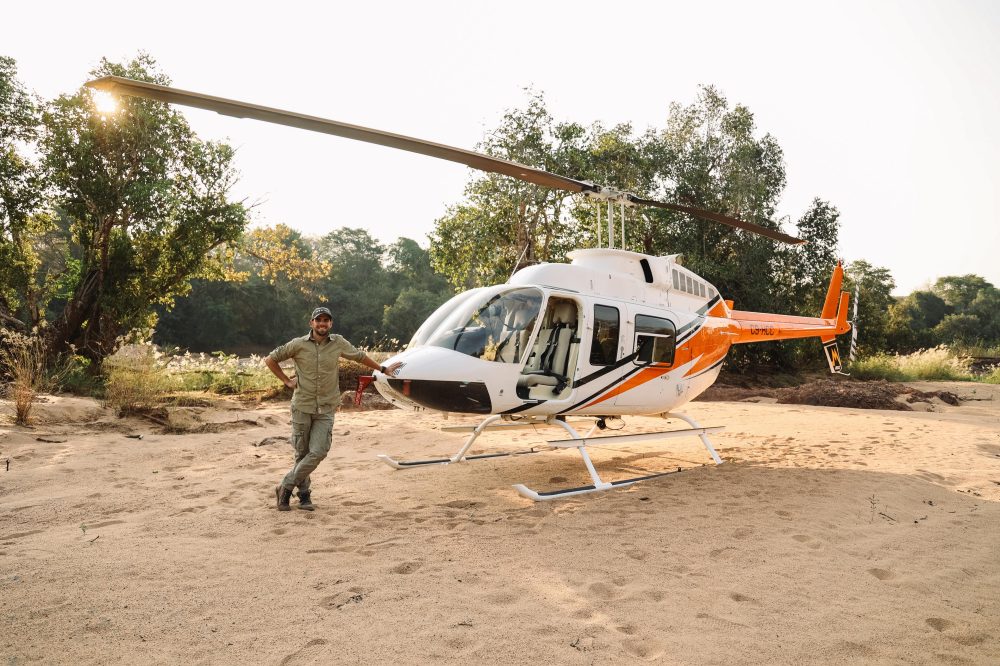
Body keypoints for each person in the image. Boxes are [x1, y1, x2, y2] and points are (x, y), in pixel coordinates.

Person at [264, 306, 396, 511]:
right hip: (302, 405)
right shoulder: (297, 345)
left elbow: (359, 356)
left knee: (318, 451)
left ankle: (285, 485)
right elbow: (271, 359)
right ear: (311, 323)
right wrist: (285, 382)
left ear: (331, 324)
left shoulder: (338, 343)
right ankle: (304, 495)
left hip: (326, 407)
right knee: (302, 452)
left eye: (326, 320)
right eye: (318, 320)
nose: (322, 323)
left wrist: (382, 368)